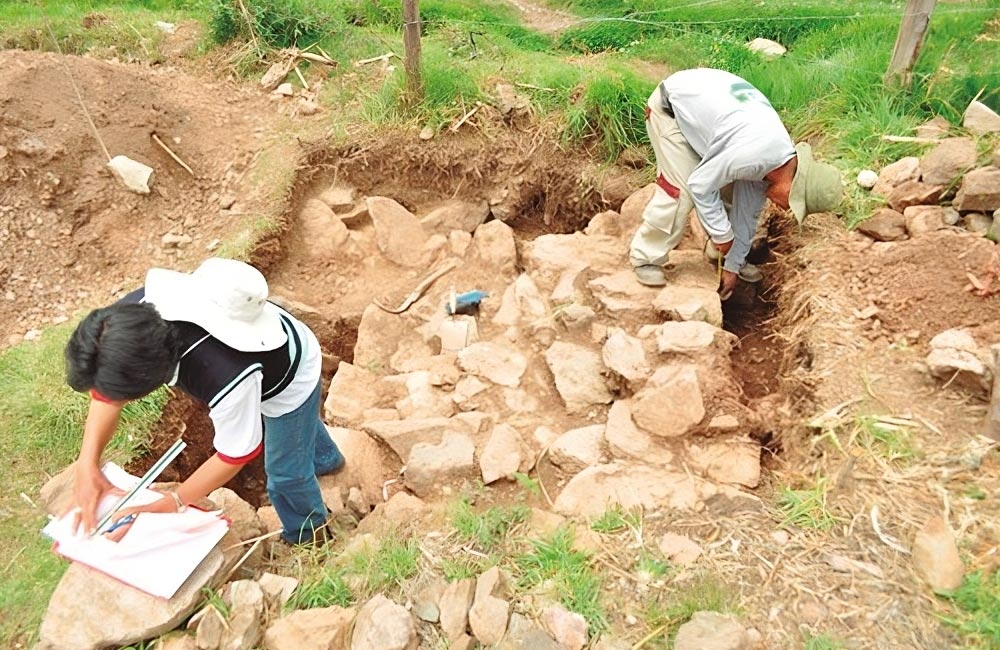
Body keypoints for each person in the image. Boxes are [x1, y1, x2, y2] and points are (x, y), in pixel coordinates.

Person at [64, 257, 343, 545]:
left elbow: (235, 454)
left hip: (291, 374)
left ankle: (310, 537)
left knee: (286, 472)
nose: (103, 398)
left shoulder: (226, 374)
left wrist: (174, 500)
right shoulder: (123, 326)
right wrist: (88, 463)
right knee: (295, 432)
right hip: (260, 354)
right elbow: (106, 396)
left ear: (154, 379)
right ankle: (324, 458)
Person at [629, 68, 843, 298]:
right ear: (792, 185)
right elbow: (700, 185)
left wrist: (731, 266)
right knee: (682, 192)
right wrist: (723, 236)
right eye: (792, 204)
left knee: (729, 193)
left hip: (709, 111)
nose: (785, 209)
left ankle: (717, 254)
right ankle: (646, 257)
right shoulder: (755, 155)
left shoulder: (774, 165)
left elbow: (745, 215)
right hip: (672, 109)